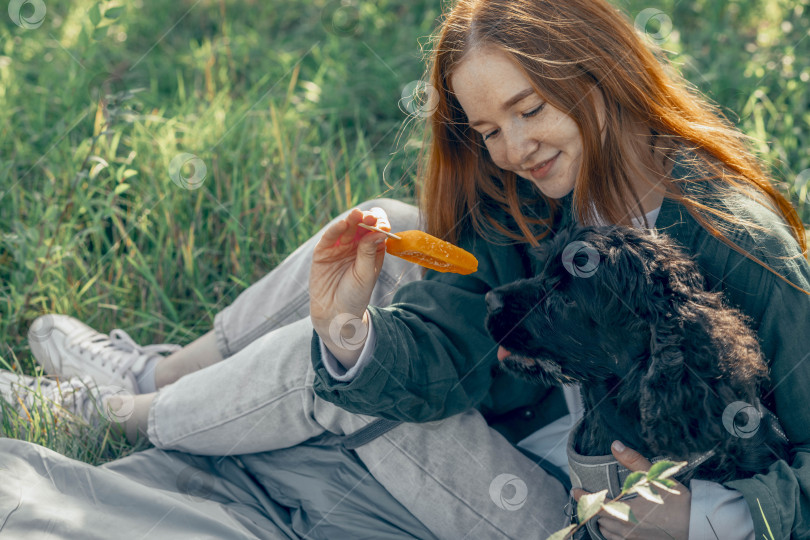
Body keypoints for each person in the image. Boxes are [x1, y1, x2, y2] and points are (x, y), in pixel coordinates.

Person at [2, 0, 809, 538]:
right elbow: (455, 334)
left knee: (310, 367)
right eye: (487, 128)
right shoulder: (540, 190)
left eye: (530, 109)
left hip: (570, 510)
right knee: (386, 228)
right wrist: (352, 332)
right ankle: (159, 374)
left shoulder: (733, 242)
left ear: (601, 75)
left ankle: (114, 415)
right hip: (531, 428)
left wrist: (699, 517)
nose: (512, 148)